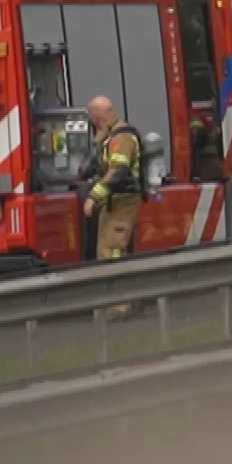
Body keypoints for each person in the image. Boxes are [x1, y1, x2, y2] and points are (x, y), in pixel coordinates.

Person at [81, 96, 142, 318]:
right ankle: (118, 301)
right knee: (107, 248)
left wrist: (93, 197)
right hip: (114, 199)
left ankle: (120, 306)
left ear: (98, 116)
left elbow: (118, 172)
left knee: (113, 248)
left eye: (92, 117)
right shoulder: (111, 135)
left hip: (123, 199)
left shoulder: (122, 138)